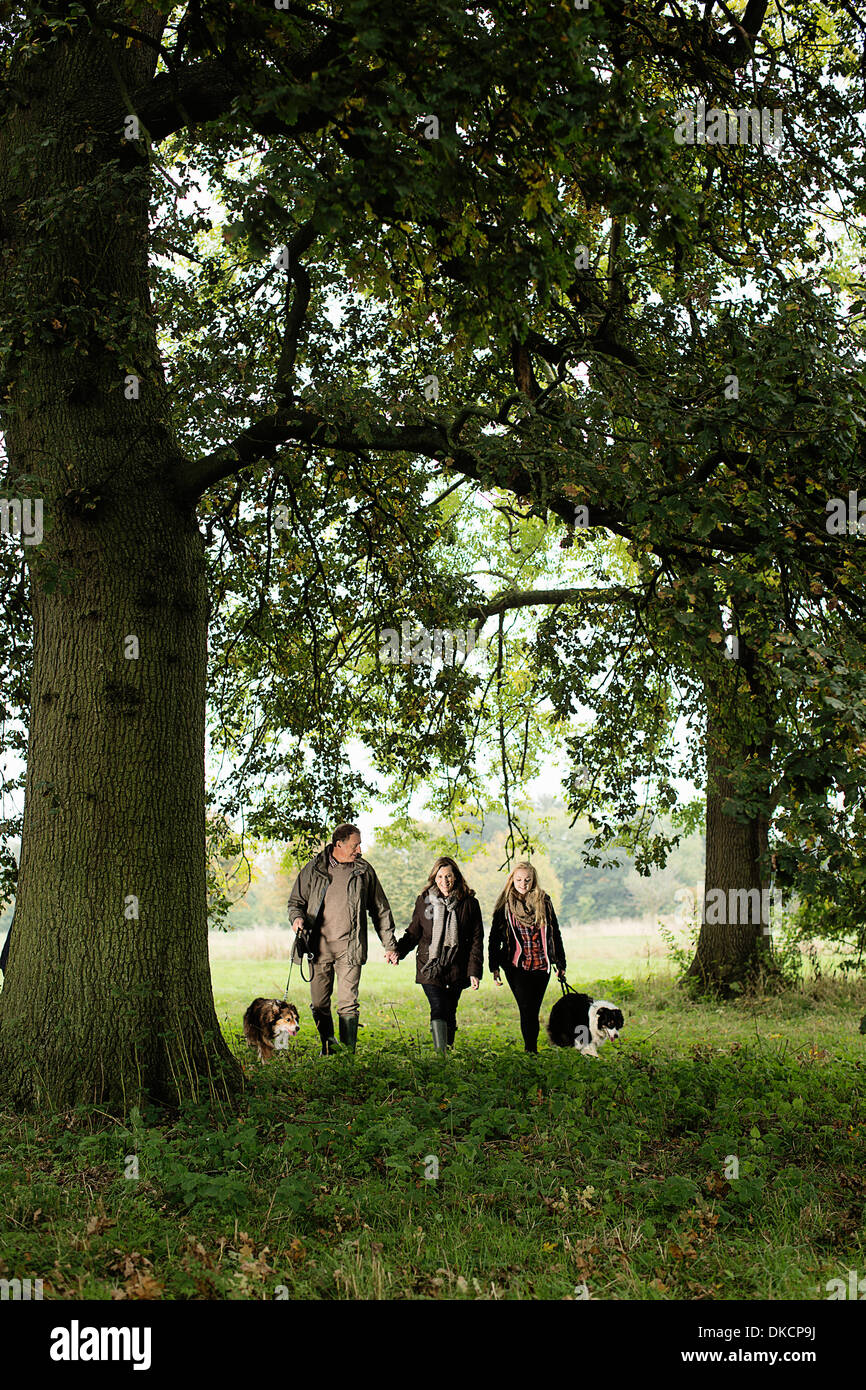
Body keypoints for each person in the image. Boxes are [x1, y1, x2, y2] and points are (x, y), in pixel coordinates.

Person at [287, 824, 397, 1055]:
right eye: (355, 844)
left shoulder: (364, 871)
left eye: (359, 844)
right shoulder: (315, 868)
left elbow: (380, 909)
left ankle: (348, 1056)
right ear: (339, 844)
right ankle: (328, 1045)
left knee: (348, 1003)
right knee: (319, 1004)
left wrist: (389, 945)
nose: (359, 849)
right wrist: (297, 920)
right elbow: (295, 902)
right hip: (317, 947)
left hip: (350, 947)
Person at [391, 856, 482, 1051]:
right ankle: (441, 1055)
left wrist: (474, 971)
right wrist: (398, 950)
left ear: (456, 877)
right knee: (438, 1007)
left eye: (448, 876)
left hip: (458, 966)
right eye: (440, 876)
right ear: (434, 878)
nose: (444, 881)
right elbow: (414, 932)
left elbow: (476, 940)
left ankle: (447, 1050)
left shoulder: (470, 904)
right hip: (430, 966)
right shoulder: (424, 902)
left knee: (450, 1010)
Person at [489, 862, 566, 1053]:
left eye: (527, 880)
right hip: (516, 966)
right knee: (526, 1008)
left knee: (533, 1009)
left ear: (533, 880)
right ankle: (530, 1051)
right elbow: (494, 937)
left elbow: (554, 932)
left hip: (541, 965)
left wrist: (560, 962)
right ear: (512, 880)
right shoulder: (505, 904)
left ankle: (531, 1051)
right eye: (519, 880)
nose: (523, 884)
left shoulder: (544, 901)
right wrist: (494, 966)